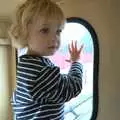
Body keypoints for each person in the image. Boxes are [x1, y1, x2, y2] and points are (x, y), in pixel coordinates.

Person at [9, 0, 83, 119]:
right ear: (24, 34)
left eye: (58, 31)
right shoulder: (40, 72)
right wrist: (76, 63)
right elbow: (73, 87)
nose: (54, 38)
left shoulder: (26, 65)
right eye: (45, 30)